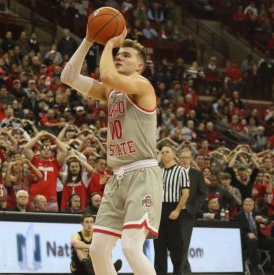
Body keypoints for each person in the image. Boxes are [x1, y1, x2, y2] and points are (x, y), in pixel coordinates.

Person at [61, 26, 162, 275]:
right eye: (119, 53)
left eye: (127, 55)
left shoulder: (142, 84)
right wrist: (87, 40)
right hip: (117, 177)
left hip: (142, 175)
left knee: (130, 247)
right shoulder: (111, 90)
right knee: (97, 249)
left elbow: (107, 76)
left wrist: (108, 44)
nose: (120, 56)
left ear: (139, 66)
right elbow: (68, 77)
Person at [155, 146, 189, 275]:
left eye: (167, 152)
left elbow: (185, 193)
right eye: (162, 152)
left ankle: (177, 271)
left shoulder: (181, 171)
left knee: (175, 245)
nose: (164, 154)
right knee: (158, 245)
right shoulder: (158, 171)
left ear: (174, 154)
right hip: (159, 209)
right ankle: (160, 272)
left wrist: (177, 210)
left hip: (173, 208)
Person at [177, 148, 205, 273]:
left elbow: (202, 194)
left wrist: (195, 208)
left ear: (190, 159)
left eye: (187, 157)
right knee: (176, 243)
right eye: (182, 157)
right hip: (174, 212)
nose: (184, 160)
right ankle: (186, 270)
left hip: (188, 213)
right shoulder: (174, 172)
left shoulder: (197, 174)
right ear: (178, 158)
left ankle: (179, 271)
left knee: (184, 242)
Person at [233, 198, 274, 274]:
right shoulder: (238, 216)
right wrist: (247, 234)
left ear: (253, 206)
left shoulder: (256, 214)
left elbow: (268, 220)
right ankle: (254, 267)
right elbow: (237, 229)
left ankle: (271, 265)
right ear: (243, 206)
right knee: (253, 241)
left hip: (258, 238)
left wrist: (263, 220)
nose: (248, 206)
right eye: (246, 205)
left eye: (250, 205)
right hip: (246, 240)